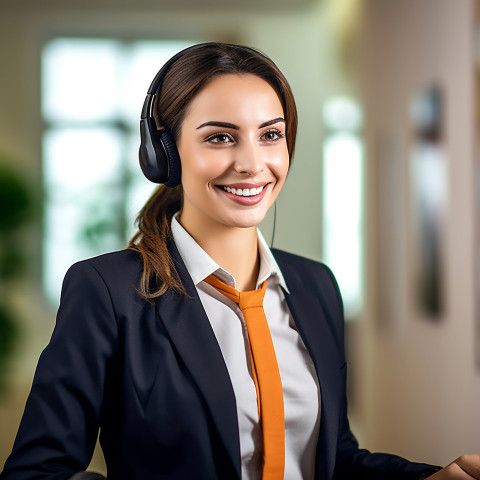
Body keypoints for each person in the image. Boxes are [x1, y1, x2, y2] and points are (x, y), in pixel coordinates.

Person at [1, 42, 479, 480]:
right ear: (164, 153)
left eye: (270, 134)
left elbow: (334, 457)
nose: (252, 163)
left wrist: (431, 479)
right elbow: (38, 473)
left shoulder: (315, 286)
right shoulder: (107, 290)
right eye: (220, 138)